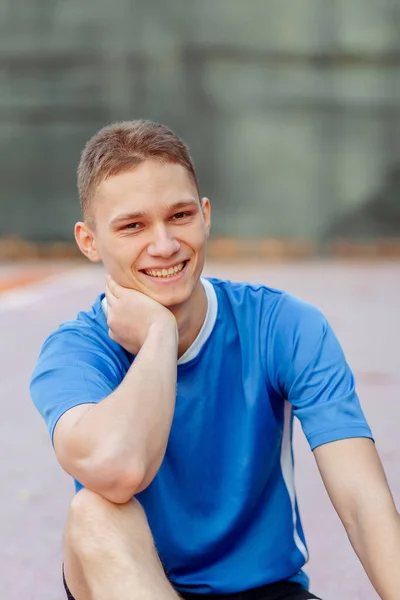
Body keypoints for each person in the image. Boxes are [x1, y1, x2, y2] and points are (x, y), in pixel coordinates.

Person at [30, 120, 400, 600]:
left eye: (180, 216)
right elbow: (117, 470)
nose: (163, 244)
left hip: (265, 590)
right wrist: (160, 336)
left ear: (205, 215)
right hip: (134, 583)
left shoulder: (283, 325)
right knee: (94, 515)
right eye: (133, 226)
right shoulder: (75, 353)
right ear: (89, 241)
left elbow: (363, 503)